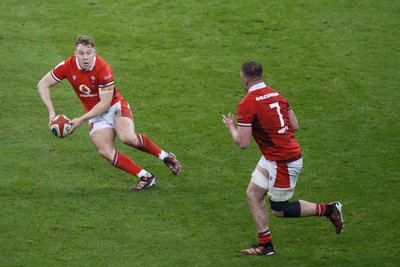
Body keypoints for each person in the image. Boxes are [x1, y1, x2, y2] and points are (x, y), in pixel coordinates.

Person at [222, 61, 343, 256]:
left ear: (244, 81)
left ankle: (329, 209)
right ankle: (266, 245)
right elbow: (294, 125)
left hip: (283, 162)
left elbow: (243, 143)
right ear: (261, 76)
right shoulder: (278, 95)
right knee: (253, 193)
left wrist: (231, 126)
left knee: (280, 209)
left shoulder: (246, 104)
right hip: (275, 157)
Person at [38, 35, 181, 191]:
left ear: (95, 52)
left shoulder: (103, 68)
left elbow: (105, 102)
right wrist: (51, 113)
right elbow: (43, 84)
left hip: (114, 107)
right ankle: (146, 177)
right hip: (95, 115)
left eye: (88, 52)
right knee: (105, 151)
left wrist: (81, 120)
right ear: (75, 53)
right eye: (81, 53)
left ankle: (165, 156)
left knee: (127, 138)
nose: (85, 57)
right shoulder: (67, 66)